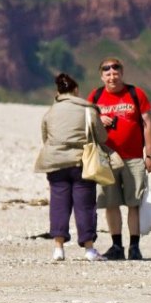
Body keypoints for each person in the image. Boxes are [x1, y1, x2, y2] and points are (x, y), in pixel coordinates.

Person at [88, 57, 151, 260]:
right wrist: (98, 118)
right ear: (102, 76)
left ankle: (134, 247)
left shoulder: (136, 93)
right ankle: (116, 246)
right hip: (106, 158)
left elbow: (148, 125)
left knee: (134, 203)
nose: (112, 77)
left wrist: (149, 154)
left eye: (115, 73)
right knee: (111, 203)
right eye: (107, 74)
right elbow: (86, 121)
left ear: (122, 74)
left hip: (134, 158)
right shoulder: (96, 95)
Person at [34, 73, 106, 262]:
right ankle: (89, 249)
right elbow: (102, 136)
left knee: (59, 205)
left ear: (58, 92)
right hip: (80, 162)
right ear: (76, 91)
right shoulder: (88, 110)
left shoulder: (50, 112)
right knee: (85, 205)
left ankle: (58, 248)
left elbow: (45, 137)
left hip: (55, 164)